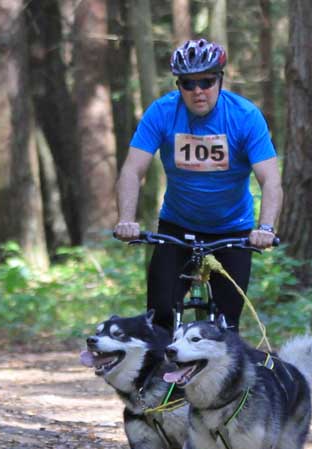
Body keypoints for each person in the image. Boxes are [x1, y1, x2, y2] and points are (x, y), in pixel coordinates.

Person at [114, 38, 283, 334]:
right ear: (178, 85)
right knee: (160, 318)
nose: (198, 91)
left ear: (220, 80)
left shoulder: (245, 117)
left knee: (226, 329)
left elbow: (270, 179)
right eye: (188, 84)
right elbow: (132, 170)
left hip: (233, 229)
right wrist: (126, 220)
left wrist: (265, 229)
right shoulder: (162, 113)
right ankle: (163, 381)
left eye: (206, 82)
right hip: (177, 226)